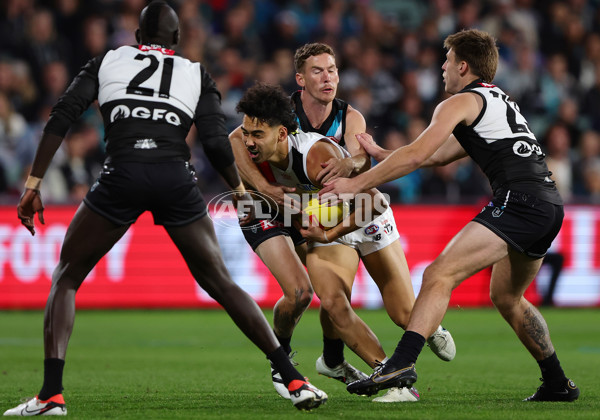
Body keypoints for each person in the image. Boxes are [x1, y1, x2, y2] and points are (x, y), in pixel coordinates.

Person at [4, 2, 327, 416]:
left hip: (120, 175)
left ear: (137, 39)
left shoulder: (108, 60)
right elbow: (214, 141)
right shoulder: (195, 72)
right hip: (175, 178)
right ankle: (293, 378)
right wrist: (240, 190)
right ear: (176, 40)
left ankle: (50, 396)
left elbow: (62, 115)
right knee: (222, 284)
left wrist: (33, 183)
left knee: (66, 278)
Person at [320, 29, 579, 402]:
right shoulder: (496, 98)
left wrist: (356, 184)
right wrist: (381, 151)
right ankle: (557, 382)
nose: (441, 68)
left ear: (462, 65)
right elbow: (436, 154)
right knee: (507, 297)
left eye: (446, 60)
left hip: (519, 202)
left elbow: (417, 156)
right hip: (548, 205)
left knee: (439, 274)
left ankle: (401, 364)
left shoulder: (458, 102)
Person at [231, 82, 455, 404]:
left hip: (363, 217)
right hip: (328, 221)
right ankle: (392, 378)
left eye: (257, 135)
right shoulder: (254, 144)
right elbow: (233, 139)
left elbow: (375, 204)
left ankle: (426, 326)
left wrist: (327, 234)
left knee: (405, 314)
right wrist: (265, 191)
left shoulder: (316, 157)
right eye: (247, 133)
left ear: (281, 135)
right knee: (333, 302)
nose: (248, 141)